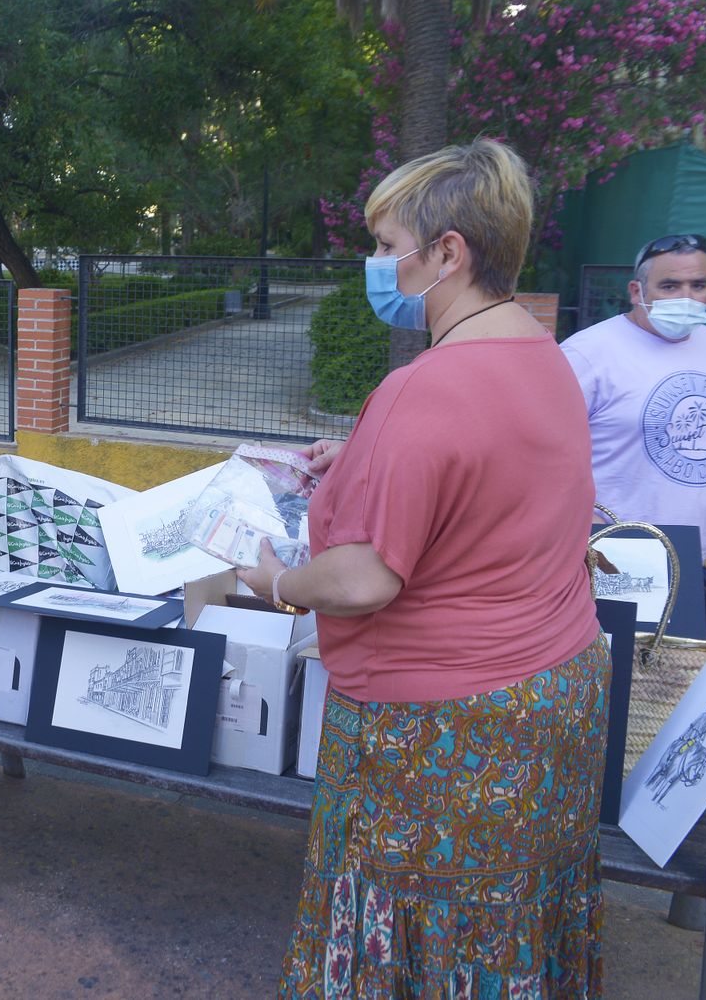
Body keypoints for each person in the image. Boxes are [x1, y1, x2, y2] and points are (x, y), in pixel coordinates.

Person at [239, 139, 608, 996]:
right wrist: (364, 456)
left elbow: (364, 579)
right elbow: (488, 475)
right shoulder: (544, 354)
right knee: (504, 925)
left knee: (413, 929)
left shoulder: (424, 386)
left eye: (384, 244)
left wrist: (278, 584)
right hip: (553, 696)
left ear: (448, 253)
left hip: (441, 732)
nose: (374, 264)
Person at [560, 233, 706, 565]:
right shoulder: (588, 353)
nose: (686, 298)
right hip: (617, 556)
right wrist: (587, 521)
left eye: (697, 286)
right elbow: (538, 447)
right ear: (636, 291)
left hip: (695, 552)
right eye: (669, 286)